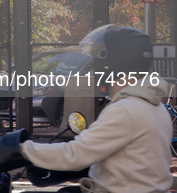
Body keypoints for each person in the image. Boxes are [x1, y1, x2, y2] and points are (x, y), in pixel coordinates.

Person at [21, 25, 173, 193]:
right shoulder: (155, 107)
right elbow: (130, 161)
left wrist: (20, 150)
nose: (96, 68)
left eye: (98, 60)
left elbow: (76, 153)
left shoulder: (126, 110)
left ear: (113, 62)